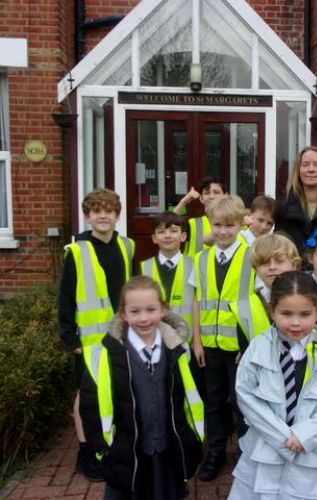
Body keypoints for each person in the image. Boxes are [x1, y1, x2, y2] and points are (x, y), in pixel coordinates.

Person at [229, 271, 317, 500]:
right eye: (286, 314)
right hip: (267, 448)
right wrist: (281, 438)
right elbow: (246, 394)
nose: (296, 322)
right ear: (272, 311)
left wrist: (305, 434)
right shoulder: (257, 349)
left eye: (305, 314)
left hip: (314, 450)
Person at [79, 276, 204, 500]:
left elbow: (192, 397)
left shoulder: (179, 351)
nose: (144, 318)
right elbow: (90, 408)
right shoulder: (105, 356)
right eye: (135, 311)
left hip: (167, 450)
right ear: (123, 314)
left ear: (163, 310)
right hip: (126, 453)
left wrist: (191, 440)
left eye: (151, 309)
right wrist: (102, 449)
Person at [57, 188, 135, 481]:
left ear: (117, 215)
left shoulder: (126, 246)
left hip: (118, 336)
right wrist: (69, 338)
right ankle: (86, 451)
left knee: (111, 391)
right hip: (88, 341)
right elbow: (64, 298)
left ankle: (107, 445)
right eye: (96, 211)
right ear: (87, 216)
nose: (103, 215)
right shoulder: (76, 251)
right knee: (85, 398)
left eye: (109, 211)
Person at [189, 194, 255, 481]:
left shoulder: (252, 256)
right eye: (217, 225)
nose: (223, 231)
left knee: (242, 405)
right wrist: (196, 340)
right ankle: (215, 451)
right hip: (210, 345)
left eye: (230, 225)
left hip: (240, 348)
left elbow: (258, 301)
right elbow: (195, 301)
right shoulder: (200, 259)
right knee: (214, 402)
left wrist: (249, 344)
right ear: (210, 224)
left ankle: (245, 455)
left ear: (241, 224)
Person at [230, 232, 301, 352]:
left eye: (279, 261)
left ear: (294, 264)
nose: (272, 267)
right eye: (264, 262)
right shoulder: (245, 307)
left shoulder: (308, 299)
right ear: (255, 268)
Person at [140, 211, 194, 328]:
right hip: (154, 338)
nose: (167, 236)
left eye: (173, 231)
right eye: (161, 232)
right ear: (154, 238)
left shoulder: (194, 265)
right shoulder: (144, 268)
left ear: (183, 236)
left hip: (186, 340)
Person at [173, 176, 226, 257]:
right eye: (207, 193)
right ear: (201, 198)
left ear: (225, 196)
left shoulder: (237, 223)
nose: (211, 196)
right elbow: (168, 224)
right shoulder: (192, 224)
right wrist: (183, 202)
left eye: (216, 192)